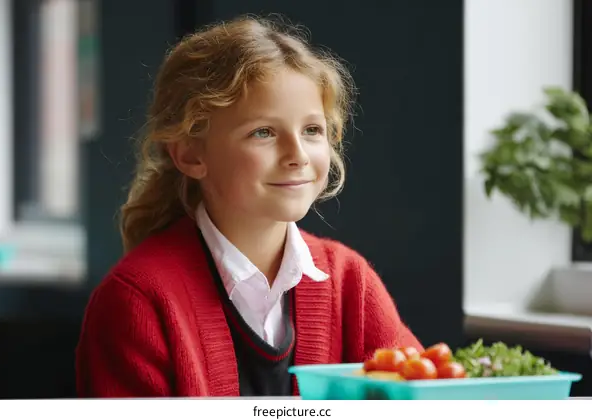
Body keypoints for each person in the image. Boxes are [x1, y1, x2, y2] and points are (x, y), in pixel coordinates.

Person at [75, 15, 422, 398]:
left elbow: (422, 401)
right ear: (190, 154)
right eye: (264, 132)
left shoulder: (350, 283)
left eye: (312, 130)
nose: (298, 156)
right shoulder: (137, 300)